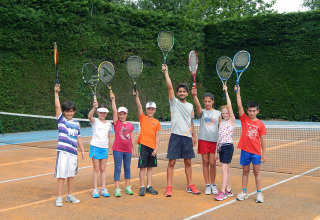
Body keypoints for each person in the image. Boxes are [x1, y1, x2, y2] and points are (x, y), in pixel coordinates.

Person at [162, 64, 200, 197]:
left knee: (188, 162)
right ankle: (169, 187)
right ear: (177, 93)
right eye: (180, 91)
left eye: (184, 91)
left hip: (187, 137)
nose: (182, 93)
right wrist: (166, 73)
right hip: (175, 137)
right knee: (171, 162)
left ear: (187, 93)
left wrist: (194, 135)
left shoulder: (190, 106)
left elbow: (190, 121)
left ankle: (190, 185)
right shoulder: (174, 102)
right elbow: (170, 87)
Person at [54, 84, 85, 207]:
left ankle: (70, 195)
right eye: (67, 111)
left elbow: (78, 137)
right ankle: (59, 197)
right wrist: (56, 93)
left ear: (74, 112)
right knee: (61, 176)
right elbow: (57, 106)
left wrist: (82, 150)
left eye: (71, 111)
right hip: (63, 152)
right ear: (64, 112)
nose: (69, 113)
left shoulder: (77, 124)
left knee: (71, 176)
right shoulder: (61, 120)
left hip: (73, 153)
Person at [235, 86, 266, 203]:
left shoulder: (261, 124)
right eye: (250, 110)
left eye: (254, 110)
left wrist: (264, 154)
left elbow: (262, 140)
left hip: (256, 152)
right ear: (247, 111)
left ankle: (259, 193)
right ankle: (244, 192)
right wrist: (238, 93)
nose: (252, 112)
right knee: (245, 172)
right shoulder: (244, 119)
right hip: (245, 151)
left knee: (256, 172)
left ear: (258, 111)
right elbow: (239, 106)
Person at [191, 87, 221, 195]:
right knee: (205, 162)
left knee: (212, 163)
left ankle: (213, 184)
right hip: (203, 140)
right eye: (205, 101)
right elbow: (198, 106)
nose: (207, 103)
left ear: (213, 101)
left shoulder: (218, 113)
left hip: (214, 141)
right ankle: (207, 185)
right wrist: (195, 96)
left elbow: (220, 128)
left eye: (209, 101)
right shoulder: (202, 112)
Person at [133, 90, 161, 196]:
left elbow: (157, 136)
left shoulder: (157, 122)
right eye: (149, 109)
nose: (150, 111)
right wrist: (137, 97)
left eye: (152, 109)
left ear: (155, 110)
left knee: (150, 168)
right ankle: (142, 187)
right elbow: (139, 106)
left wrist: (156, 148)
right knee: (142, 167)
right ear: (146, 110)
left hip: (152, 148)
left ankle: (149, 186)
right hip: (143, 146)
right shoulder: (143, 118)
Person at [110, 92, 136, 197]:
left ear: (126, 114)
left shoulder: (130, 125)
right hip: (117, 150)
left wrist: (134, 149)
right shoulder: (116, 123)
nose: (121, 116)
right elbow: (114, 110)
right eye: (120, 114)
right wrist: (113, 100)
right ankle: (117, 188)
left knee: (127, 168)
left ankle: (127, 187)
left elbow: (132, 137)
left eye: (123, 114)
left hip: (128, 150)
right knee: (117, 168)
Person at [214, 84, 236, 201]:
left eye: (227, 113)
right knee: (226, 169)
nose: (225, 114)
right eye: (223, 113)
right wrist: (216, 151)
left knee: (224, 168)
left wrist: (226, 92)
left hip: (228, 147)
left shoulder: (232, 121)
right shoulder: (221, 123)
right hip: (221, 147)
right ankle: (228, 190)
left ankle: (222, 192)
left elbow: (230, 106)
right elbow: (219, 137)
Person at [88, 101, 112, 198]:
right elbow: (89, 116)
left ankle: (103, 188)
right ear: (98, 113)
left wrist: (108, 147)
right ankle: (95, 189)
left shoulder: (109, 124)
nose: (102, 114)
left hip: (104, 148)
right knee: (96, 169)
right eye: (101, 112)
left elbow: (108, 136)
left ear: (106, 114)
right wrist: (94, 108)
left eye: (104, 113)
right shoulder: (95, 121)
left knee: (103, 169)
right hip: (95, 147)